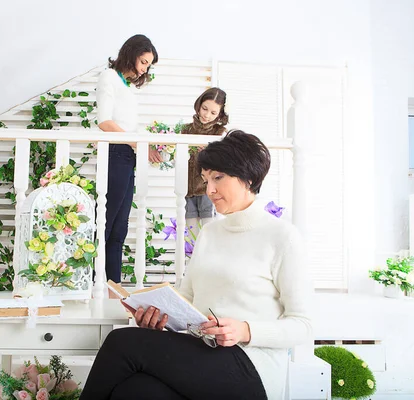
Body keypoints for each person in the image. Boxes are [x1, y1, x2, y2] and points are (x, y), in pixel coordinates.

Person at [80, 130, 313, 400]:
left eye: (218, 178)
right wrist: (159, 317)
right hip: (203, 354)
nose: (209, 190)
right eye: (205, 180)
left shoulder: (282, 237)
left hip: (251, 366)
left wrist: (245, 330)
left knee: (121, 342)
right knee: (134, 391)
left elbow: (303, 325)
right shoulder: (210, 233)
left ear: (248, 177)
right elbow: (188, 298)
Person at [96, 34, 161, 284]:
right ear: (131, 53)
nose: (145, 68)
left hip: (127, 155)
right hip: (114, 153)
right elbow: (105, 122)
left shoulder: (127, 86)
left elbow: (126, 126)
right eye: (143, 61)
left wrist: (145, 145)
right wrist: (138, 144)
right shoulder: (109, 77)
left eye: (148, 64)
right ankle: (96, 283)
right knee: (106, 224)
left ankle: (112, 285)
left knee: (119, 228)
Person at [180, 87, 228, 238]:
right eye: (204, 109)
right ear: (199, 105)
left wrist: (209, 154)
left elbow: (226, 163)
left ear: (220, 114)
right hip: (187, 190)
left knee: (209, 234)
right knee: (191, 236)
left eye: (213, 113)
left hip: (209, 190)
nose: (207, 115)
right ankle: (192, 262)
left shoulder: (220, 133)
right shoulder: (185, 130)